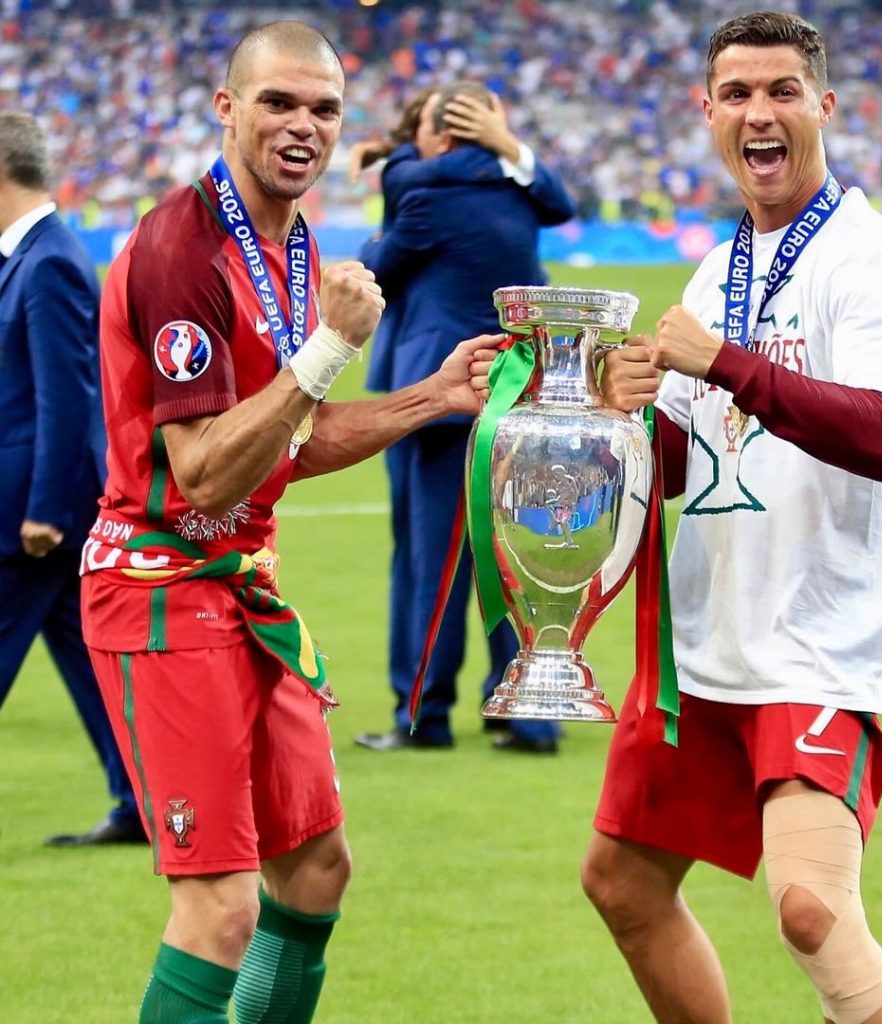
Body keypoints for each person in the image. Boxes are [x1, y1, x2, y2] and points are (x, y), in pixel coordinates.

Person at [80, 22, 504, 1023]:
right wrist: (324, 351)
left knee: (314, 867)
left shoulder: (294, 245)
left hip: (244, 594)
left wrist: (429, 399)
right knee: (220, 908)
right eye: (278, 102)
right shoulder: (179, 249)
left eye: (322, 109)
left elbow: (285, 442)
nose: (302, 125)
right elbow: (201, 477)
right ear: (227, 109)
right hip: (161, 594)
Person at [579, 12, 882, 1024]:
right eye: (736, 94)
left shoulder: (868, 260)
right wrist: (625, 416)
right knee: (623, 883)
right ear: (707, 114)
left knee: (812, 910)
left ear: (823, 107)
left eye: (781, 90)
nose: (759, 112)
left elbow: (880, 433)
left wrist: (723, 363)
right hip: (708, 650)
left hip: (817, 639)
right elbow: (698, 458)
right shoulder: (716, 274)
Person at [353, 81, 576, 754]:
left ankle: (422, 714)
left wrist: (388, 174)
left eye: (417, 128)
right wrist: (506, 145)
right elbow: (561, 201)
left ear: (444, 137)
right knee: (519, 561)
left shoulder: (421, 191)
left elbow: (374, 270)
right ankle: (526, 710)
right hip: (523, 395)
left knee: (432, 566)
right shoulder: (519, 191)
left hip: (444, 403)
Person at [0, 111, 144, 847]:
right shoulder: (30, 257)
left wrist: (48, 508)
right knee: (91, 664)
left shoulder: (49, 260)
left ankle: (141, 803)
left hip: (35, 513)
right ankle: (142, 804)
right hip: (42, 509)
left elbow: (68, 394)